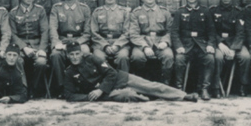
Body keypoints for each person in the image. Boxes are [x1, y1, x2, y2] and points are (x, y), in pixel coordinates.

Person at [62, 41, 198, 103]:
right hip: (109, 93)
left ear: (81, 53)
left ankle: (183, 96)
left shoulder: (92, 58)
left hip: (120, 79)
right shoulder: (69, 72)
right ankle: (150, 98)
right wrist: (92, 97)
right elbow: (68, 94)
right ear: (67, 56)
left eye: (77, 53)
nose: (74, 57)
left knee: (151, 86)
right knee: (127, 96)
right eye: (71, 55)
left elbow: (111, 73)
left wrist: (99, 90)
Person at [171, 0, 216, 98]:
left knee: (209, 58)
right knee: (179, 59)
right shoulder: (180, 12)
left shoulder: (205, 11)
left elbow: (211, 31)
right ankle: (179, 89)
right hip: (186, 46)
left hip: (201, 45)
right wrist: (178, 46)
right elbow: (174, 32)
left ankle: (204, 89)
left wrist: (210, 44)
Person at [127, 0, 175, 84]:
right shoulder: (136, 12)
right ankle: (141, 84)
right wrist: (145, 47)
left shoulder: (165, 12)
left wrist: (165, 42)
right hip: (142, 43)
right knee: (137, 57)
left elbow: (170, 31)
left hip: (160, 42)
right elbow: (134, 34)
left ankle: (165, 84)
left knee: (168, 56)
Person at [49, 0, 93, 90]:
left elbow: (87, 33)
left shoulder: (84, 8)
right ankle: (61, 86)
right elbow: (53, 28)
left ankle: (85, 84)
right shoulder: (56, 8)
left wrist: (75, 44)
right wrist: (56, 43)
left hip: (79, 40)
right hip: (62, 40)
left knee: (85, 51)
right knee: (55, 54)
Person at [9, 0, 50, 95]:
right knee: (17, 60)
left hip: (37, 44)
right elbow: (12, 34)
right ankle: (23, 88)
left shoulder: (40, 10)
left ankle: (34, 88)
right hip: (20, 46)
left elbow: (45, 31)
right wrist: (24, 48)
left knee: (41, 62)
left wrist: (42, 49)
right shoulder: (13, 13)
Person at [210, 0, 247, 97]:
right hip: (219, 43)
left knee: (245, 57)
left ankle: (243, 86)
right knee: (218, 57)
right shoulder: (212, 11)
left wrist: (234, 49)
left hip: (234, 42)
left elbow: (240, 32)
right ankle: (216, 87)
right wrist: (219, 44)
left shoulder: (239, 12)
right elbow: (210, 31)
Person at [89, 0, 131, 72]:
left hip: (120, 44)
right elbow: (94, 32)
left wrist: (117, 45)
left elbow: (127, 32)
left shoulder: (124, 12)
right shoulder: (97, 12)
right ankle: (103, 82)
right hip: (101, 44)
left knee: (123, 57)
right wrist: (105, 46)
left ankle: (123, 82)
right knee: (98, 57)